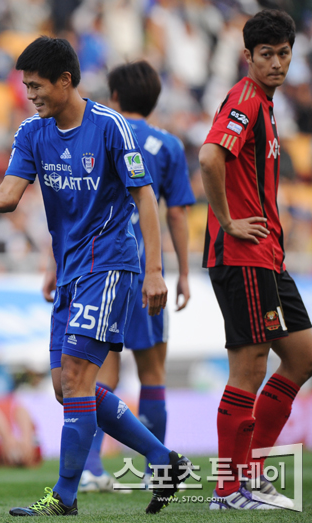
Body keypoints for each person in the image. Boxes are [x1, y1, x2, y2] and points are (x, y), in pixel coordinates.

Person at [0, 35, 191, 516]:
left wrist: (155, 271)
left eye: (36, 85)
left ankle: (64, 498)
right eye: (25, 86)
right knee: (64, 386)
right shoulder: (32, 132)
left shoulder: (111, 127)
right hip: (71, 270)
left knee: (76, 376)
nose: (30, 95)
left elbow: (145, 197)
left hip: (111, 263)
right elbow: (9, 194)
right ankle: (162, 457)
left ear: (65, 80)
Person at [42, 60, 193, 492]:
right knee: (152, 373)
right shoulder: (167, 145)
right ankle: (157, 472)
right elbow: (177, 214)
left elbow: (73, 209)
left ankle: (90, 469)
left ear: (115, 97)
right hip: (141, 271)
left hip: (95, 268)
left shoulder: (97, 130)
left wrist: (54, 266)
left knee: (94, 374)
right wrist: (177, 273)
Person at [199, 8, 312, 510]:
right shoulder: (245, 99)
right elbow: (208, 156)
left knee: (304, 355)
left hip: (268, 258)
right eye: (266, 54)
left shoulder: (266, 104)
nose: (276, 63)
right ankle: (228, 490)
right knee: (249, 368)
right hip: (243, 255)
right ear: (248, 56)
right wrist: (225, 221)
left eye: (283, 54)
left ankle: (252, 474)